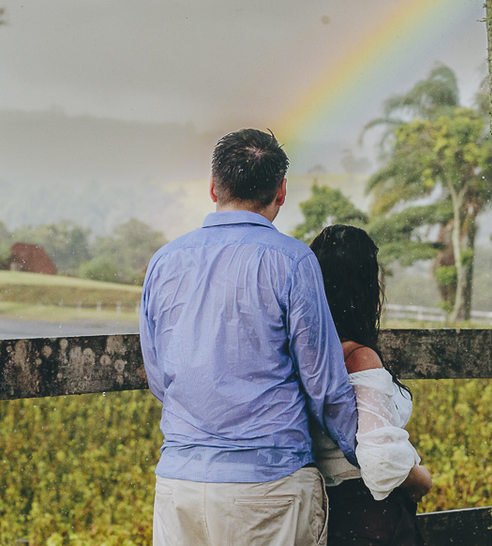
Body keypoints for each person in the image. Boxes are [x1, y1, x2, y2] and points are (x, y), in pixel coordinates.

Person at [139, 129, 359, 546]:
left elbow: (160, 378)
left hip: (179, 485)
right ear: (281, 192)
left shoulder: (164, 261)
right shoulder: (293, 261)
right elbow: (325, 386)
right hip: (269, 486)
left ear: (212, 187)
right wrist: (363, 455)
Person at [308, 224, 434, 546]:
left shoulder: (303, 354)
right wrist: (421, 479)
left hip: (321, 510)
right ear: (365, 288)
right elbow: (381, 463)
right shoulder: (358, 358)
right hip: (369, 514)